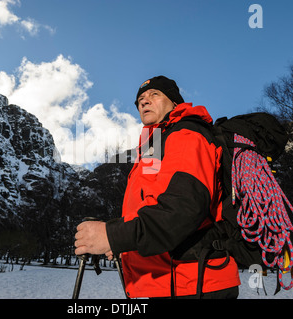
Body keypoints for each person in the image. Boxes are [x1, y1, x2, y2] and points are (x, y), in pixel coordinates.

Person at [74, 76, 240, 299]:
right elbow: (150, 206)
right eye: (140, 99)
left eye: (154, 95)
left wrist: (114, 235)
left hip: (195, 282)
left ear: (174, 102)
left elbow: (182, 210)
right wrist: (123, 241)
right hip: (167, 280)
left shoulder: (186, 135)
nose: (144, 101)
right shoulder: (154, 147)